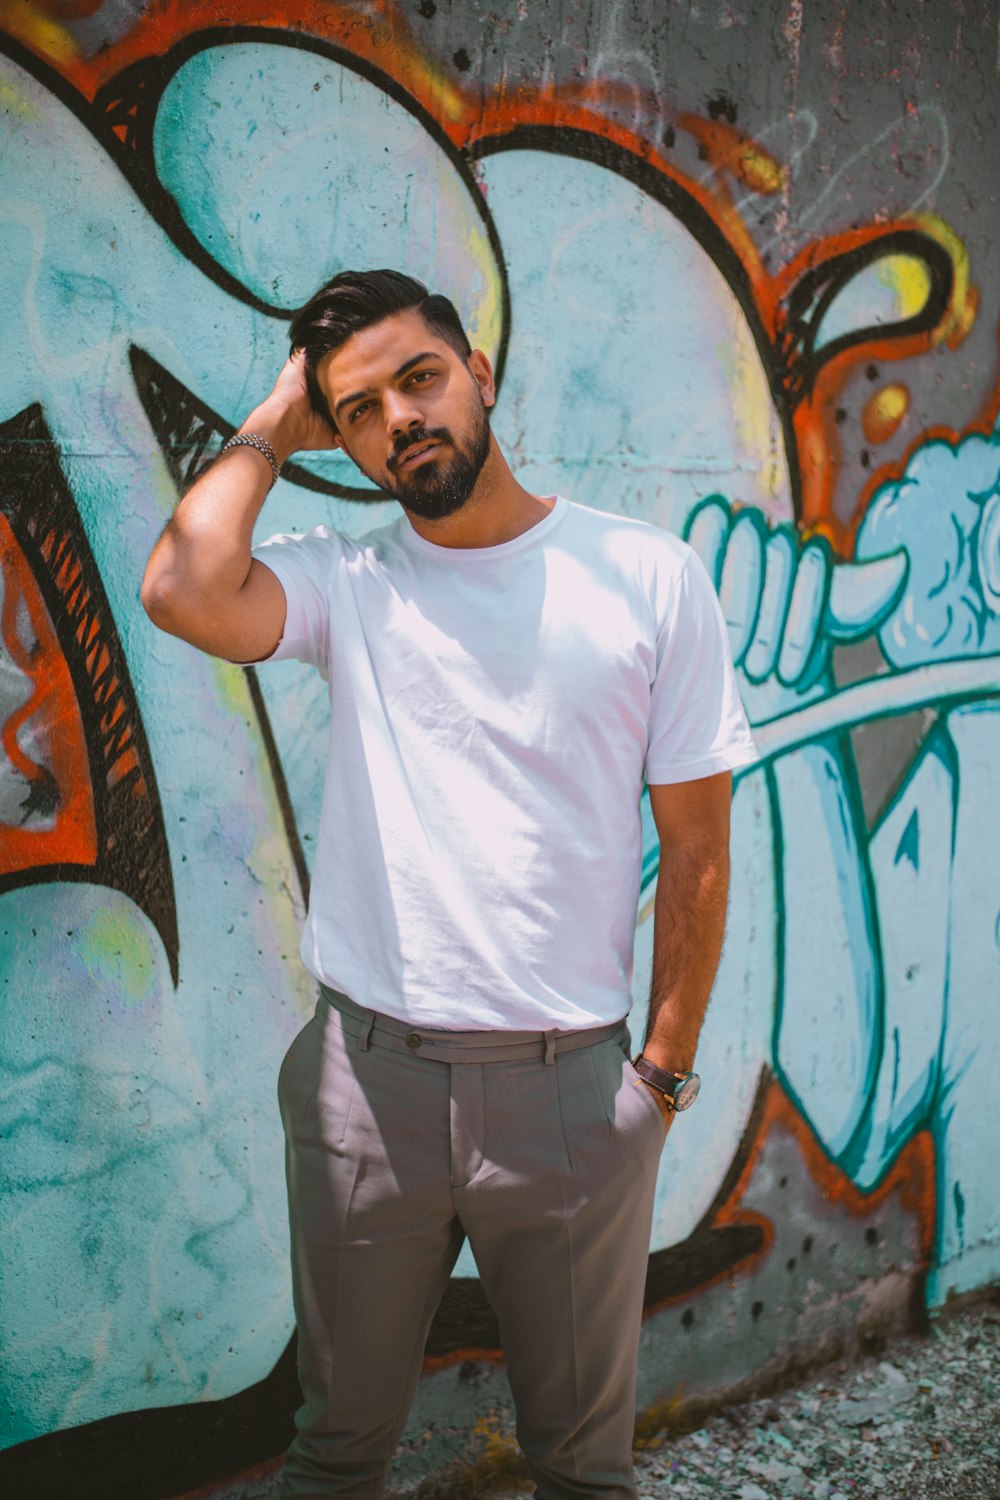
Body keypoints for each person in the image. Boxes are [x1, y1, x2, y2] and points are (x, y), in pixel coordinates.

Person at [141, 269, 757, 1500]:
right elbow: (183, 587)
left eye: (418, 378)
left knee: (582, 1467)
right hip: (366, 1090)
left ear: (480, 372)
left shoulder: (642, 577)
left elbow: (695, 843)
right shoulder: (348, 585)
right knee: (336, 1451)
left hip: (572, 1093)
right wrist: (274, 419)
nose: (398, 420)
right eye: (360, 409)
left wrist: (660, 1084)